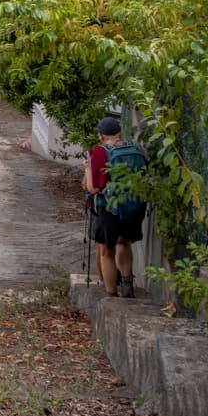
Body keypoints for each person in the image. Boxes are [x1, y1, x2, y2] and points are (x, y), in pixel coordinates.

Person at [83, 115, 147, 297]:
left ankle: (111, 294)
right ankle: (128, 286)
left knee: (106, 252)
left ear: (101, 136)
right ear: (120, 132)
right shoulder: (135, 148)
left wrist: (87, 169)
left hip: (110, 208)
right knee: (124, 244)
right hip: (134, 208)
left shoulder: (101, 151)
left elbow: (93, 188)